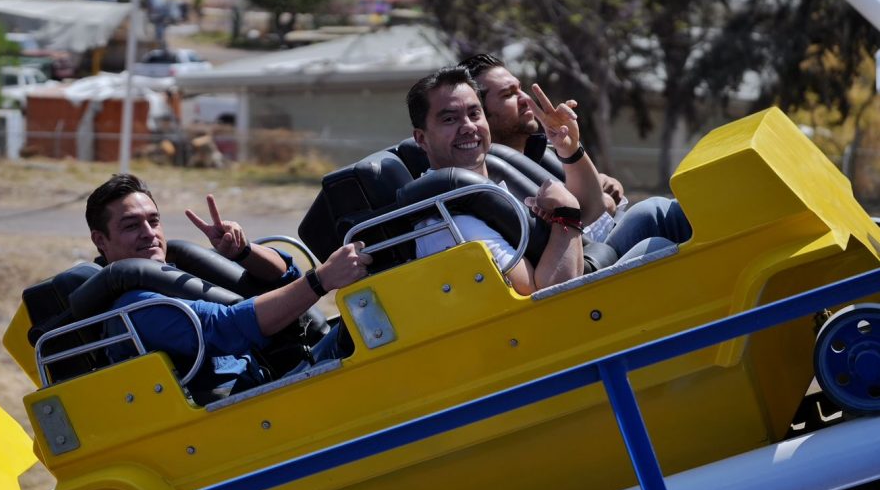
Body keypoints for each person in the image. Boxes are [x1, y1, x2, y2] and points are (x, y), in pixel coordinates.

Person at [86, 174, 370, 396]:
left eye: (153, 221)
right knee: (377, 325)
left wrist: (243, 252)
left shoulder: (173, 272)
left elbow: (287, 280)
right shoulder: (133, 306)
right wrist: (322, 279)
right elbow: (229, 327)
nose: (149, 234)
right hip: (254, 402)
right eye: (131, 226)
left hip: (277, 375)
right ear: (100, 240)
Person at [457, 53, 693, 254]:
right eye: (508, 95)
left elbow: (603, 206)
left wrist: (597, 178)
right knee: (657, 215)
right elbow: (575, 231)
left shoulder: (542, 153)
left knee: (671, 210)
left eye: (521, 89)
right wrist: (604, 205)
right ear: (481, 114)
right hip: (585, 268)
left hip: (600, 245)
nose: (526, 100)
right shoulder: (491, 178)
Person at [407, 67, 584, 295]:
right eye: (450, 119)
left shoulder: (496, 180)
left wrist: (570, 150)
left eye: (474, 114)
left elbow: (597, 215)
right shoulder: (451, 221)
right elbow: (543, 298)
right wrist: (566, 215)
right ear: (421, 138)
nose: (469, 127)